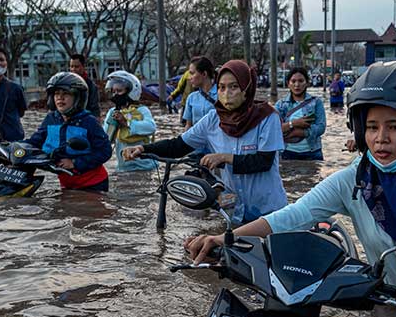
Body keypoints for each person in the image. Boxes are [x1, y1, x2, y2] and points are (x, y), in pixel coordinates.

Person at [186, 59, 396, 316]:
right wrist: (226, 238)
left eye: (395, 127)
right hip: (393, 299)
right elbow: (295, 215)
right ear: (359, 130)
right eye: (372, 127)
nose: (380, 138)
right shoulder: (356, 177)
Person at [122, 59, 287, 224]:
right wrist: (143, 149)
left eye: (234, 87)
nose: (226, 93)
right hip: (235, 212)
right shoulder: (213, 119)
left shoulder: (267, 117)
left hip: (269, 210)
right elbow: (178, 146)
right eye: (222, 87)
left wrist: (224, 157)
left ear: (246, 89)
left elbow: (263, 161)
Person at [23, 72, 112, 191]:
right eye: (56, 94)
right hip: (67, 183)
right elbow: (35, 141)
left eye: (66, 93)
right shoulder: (51, 119)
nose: (60, 97)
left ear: (78, 98)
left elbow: (105, 151)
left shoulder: (89, 122)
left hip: (93, 183)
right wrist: (12, 147)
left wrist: (75, 163)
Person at [103, 70, 158, 172]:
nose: (115, 95)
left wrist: (126, 123)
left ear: (131, 91)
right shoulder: (112, 112)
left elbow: (151, 127)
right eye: (113, 92)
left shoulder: (142, 110)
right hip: (124, 168)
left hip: (146, 167)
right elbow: (105, 137)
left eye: (119, 91)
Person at [274, 66, 326, 160]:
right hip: (287, 152)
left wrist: (303, 132)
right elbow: (274, 128)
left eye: (301, 81)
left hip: (312, 153)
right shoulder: (280, 105)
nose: (297, 85)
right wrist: (293, 123)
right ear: (288, 84)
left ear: (307, 83)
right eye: (293, 81)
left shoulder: (316, 102)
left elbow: (321, 127)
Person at [181, 56, 218, 131]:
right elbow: (188, 125)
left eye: (192, 73)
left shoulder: (222, 95)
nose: (189, 77)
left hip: (217, 140)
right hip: (197, 141)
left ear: (204, 74)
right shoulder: (191, 98)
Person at [68, 53, 101, 119]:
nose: (73, 69)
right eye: (71, 66)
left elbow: (94, 108)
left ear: (83, 67)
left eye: (76, 66)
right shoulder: (66, 83)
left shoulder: (91, 86)